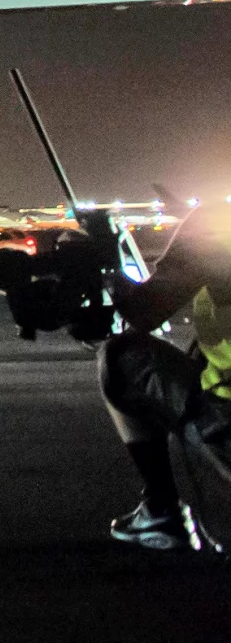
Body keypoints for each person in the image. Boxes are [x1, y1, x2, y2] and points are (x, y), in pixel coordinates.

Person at [96, 203, 231, 551]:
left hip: (225, 407)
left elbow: (145, 310)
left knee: (119, 354)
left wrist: (106, 263)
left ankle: (161, 507)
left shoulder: (217, 225)